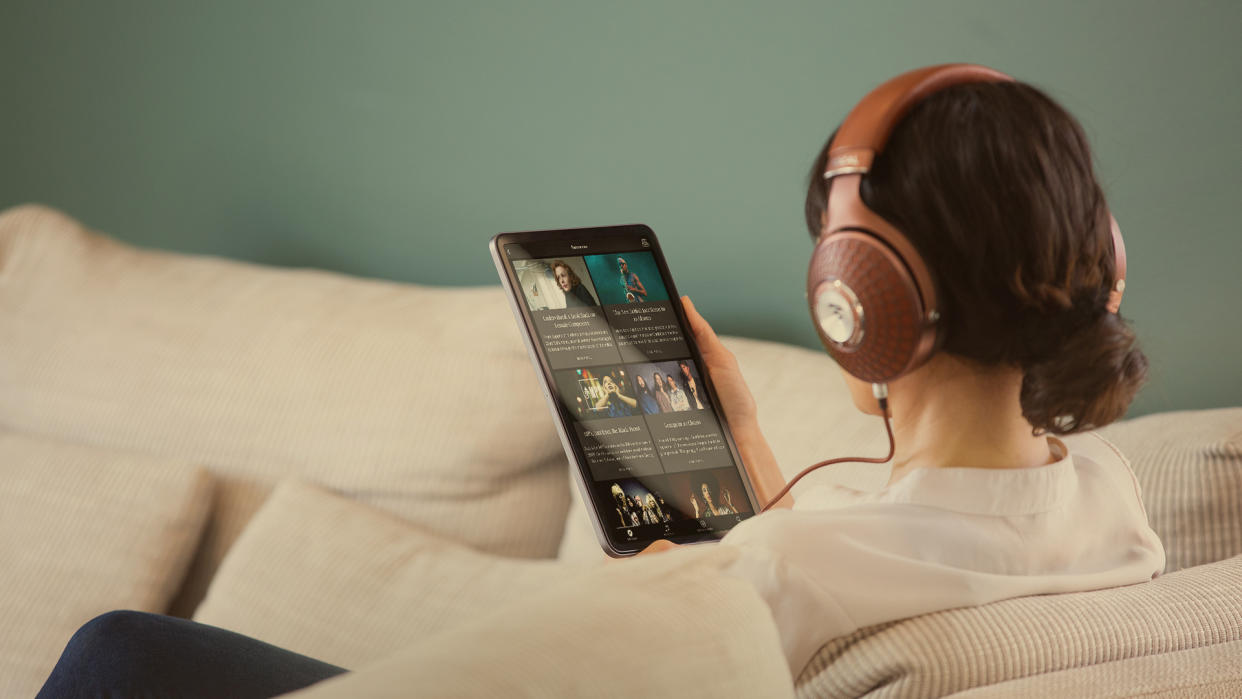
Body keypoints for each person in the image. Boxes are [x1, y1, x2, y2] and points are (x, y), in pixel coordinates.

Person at [37, 66, 1164, 695]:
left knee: (119, 655)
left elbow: (678, 636)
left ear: (852, 295)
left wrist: (671, 583)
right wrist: (740, 438)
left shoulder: (783, 569)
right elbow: (825, 568)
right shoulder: (1108, 500)